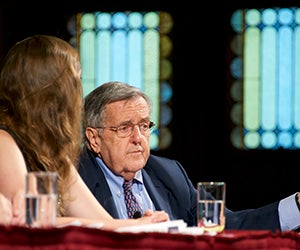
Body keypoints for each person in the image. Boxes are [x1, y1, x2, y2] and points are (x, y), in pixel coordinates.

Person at [78, 81, 300, 232]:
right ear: (94, 138)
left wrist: (296, 206)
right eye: (124, 128)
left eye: (144, 126)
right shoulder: (77, 179)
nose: (138, 138)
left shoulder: (169, 173)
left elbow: (223, 226)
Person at [0, 35, 169, 230]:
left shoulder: (50, 149)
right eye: (75, 78)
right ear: (52, 89)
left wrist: (141, 225)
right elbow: (32, 222)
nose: (78, 90)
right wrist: (134, 225)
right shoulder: (5, 142)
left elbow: (102, 220)